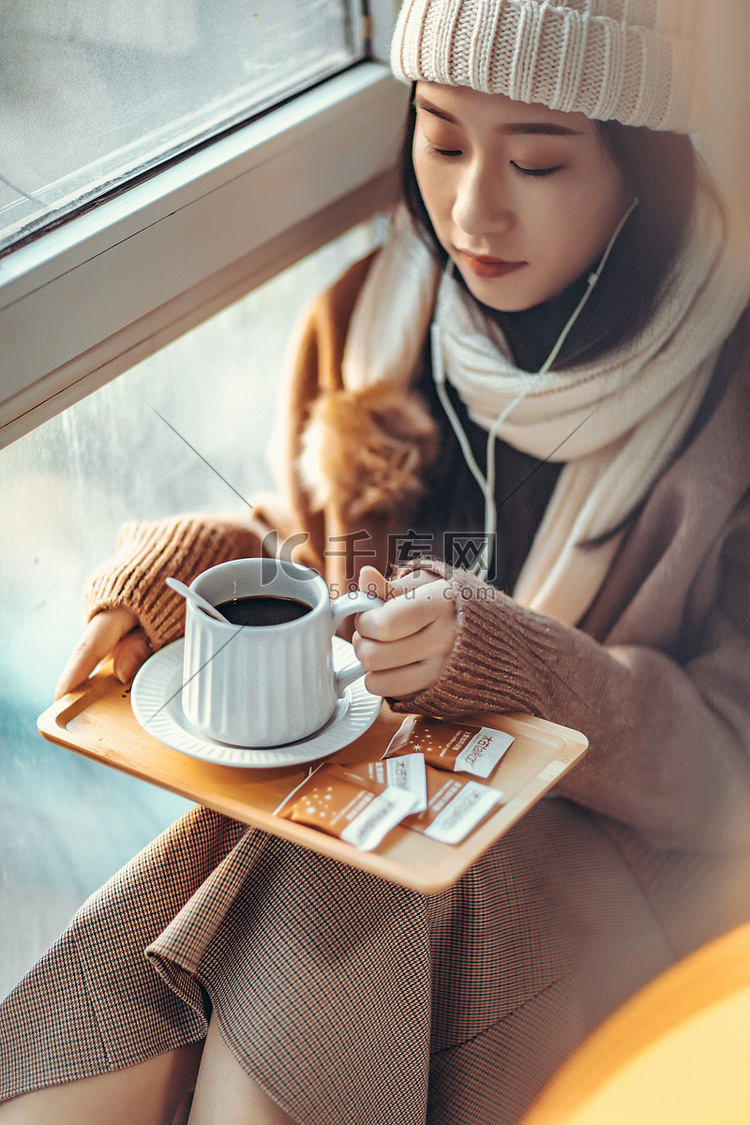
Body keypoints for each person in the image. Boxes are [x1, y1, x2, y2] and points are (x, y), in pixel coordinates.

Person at [2, 1, 750, 1122]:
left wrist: (505, 659)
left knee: (314, 869)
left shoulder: (727, 397)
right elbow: (313, 556)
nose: (470, 207)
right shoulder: (376, 320)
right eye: (441, 138)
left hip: (609, 895)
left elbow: (727, 771)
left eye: (537, 161)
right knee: (319, 854)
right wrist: (187, 576)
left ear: (642, 165)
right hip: (382, 825)